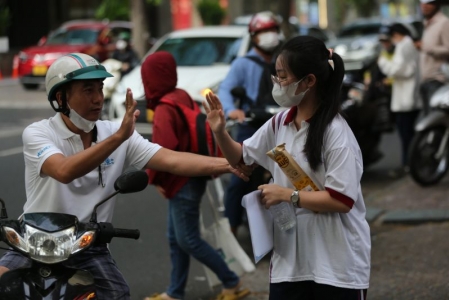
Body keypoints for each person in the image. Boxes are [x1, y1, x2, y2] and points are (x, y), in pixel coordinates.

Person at [0, 53, 251, 300]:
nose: (98, 99)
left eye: (100, 89)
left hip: (86, 246)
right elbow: (63, 171)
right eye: (88, 90)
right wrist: (118, 137)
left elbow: (172, 158)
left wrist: (228, 163)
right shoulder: (38, 133)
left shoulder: (115, 132)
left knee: (118, 293)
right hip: (34, 241)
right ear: (61, 97)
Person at [205, 36, 371, 299]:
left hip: (337, 265)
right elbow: (241, 157)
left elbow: (342, 200)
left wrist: (288, 196)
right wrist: (220, 132)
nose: (277, 84)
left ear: (309, 81)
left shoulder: (337, 133)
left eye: (282, 77)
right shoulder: (279, 122)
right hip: (290, 263)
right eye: (276, 76)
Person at [140, 51, 250, 300]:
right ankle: (175, 292)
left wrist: (153, 178)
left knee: (188, 240)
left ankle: (232, 281)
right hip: (196, 174)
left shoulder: (164, 108)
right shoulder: (180, 96)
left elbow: (161, 151)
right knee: (175, 238)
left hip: (181, 180)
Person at [217, 11, 282, 236]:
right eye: (264, 32)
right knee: (239, 178)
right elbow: (225, 89)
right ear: (254, 36)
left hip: (279, 125)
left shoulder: (283, 60)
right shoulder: (243, 63)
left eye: (272, 30)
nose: (269, 36)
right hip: (251, 126)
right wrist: (232, 110)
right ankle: (231, 231)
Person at [378, 23, 422, 178]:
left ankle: (408, 165)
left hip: (405, 99)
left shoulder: (404, 45)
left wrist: (383, 62)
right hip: (409, 97)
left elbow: (397, 70)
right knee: (408, 134)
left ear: (396, 34)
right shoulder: (409, 44)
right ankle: (411, 165)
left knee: (406, 136)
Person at [418, 0, 449, 115]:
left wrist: (427, 48)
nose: (424, 6)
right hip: (425, 80)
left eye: (428, 3)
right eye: (422, 3)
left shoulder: (444, 22)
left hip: (438, 80)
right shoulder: (427, 23)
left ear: (436, 4)